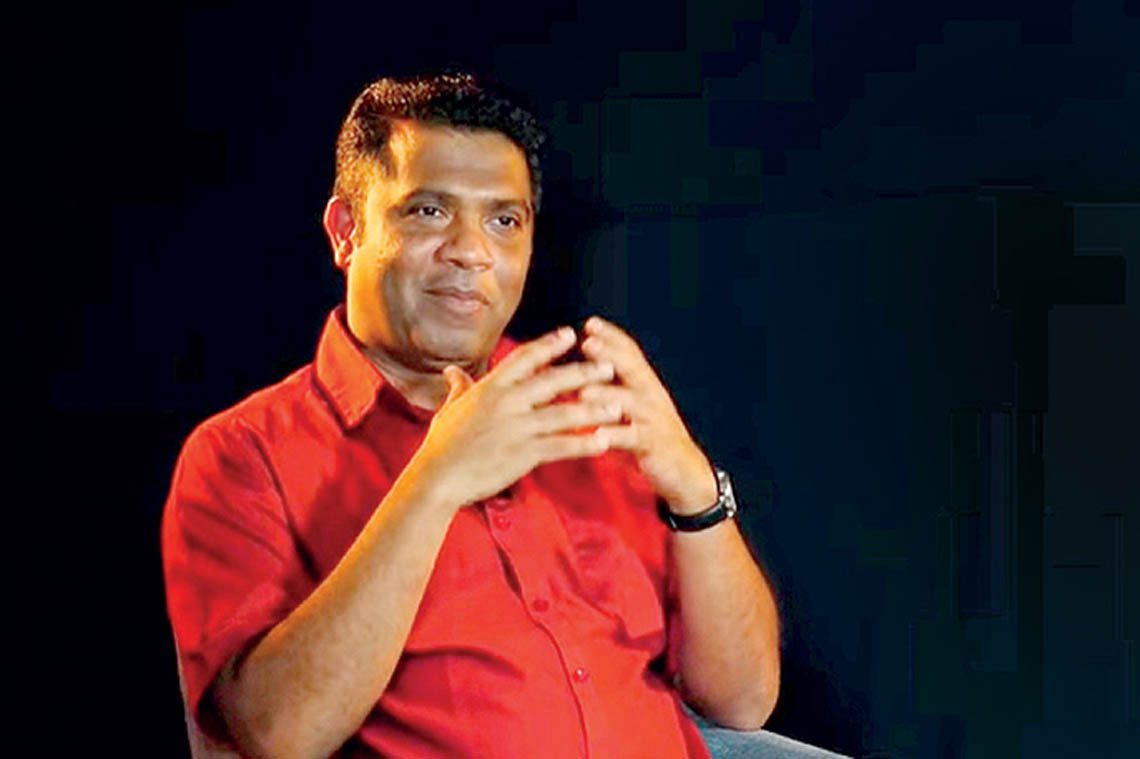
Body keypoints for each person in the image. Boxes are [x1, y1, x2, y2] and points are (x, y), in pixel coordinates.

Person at [162, 71, 801, 759]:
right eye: (428, 212)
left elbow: (743, 699)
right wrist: (437, 481)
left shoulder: (590, 413)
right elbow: (279, 735)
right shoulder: (244, 454)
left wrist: (694, 489)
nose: (471, 251)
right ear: (347, 232)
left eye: (504, 221)